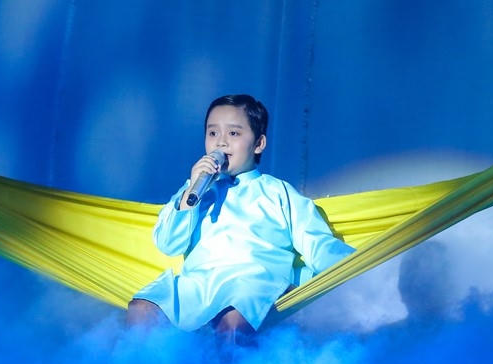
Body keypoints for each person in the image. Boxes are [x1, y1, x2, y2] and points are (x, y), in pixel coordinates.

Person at [126, 94, 355, 346]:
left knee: (233, 322)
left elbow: (315, 242)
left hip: (254, 282)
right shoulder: (195, 191)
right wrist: (191, 192)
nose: (221, 142)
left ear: (258, 144)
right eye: (213, 133)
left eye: (233, 133)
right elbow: (168, 244)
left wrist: (357, 267)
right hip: (200, 285)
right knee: (141, 309)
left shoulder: (278, 192)